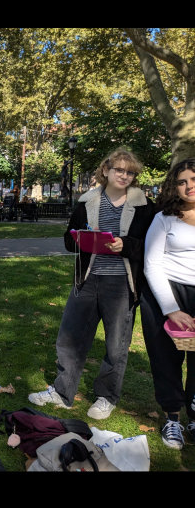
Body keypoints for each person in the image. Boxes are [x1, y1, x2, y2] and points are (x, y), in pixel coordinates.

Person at [29, 147, 156, 420]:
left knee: (116, 345)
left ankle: (106, 397)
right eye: (119, 170)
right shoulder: (87, 202)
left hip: (121, 284)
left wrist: (126, 245)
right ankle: (62, 392)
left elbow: (152, 246)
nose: (124, 175)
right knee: (70, 338)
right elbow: (68, 239)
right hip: (86, 280)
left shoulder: (145, 207)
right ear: (106, 170)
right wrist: (82, 239)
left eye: (130, 172)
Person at [141, 158, 195, 449]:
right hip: (166, 294)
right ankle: (172, 418)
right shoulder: (164, 218)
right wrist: (171, 309)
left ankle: (194, 416)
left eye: (194, 179)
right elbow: (152, 264)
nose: (189, 186)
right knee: (166, 359)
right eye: (182, 181)